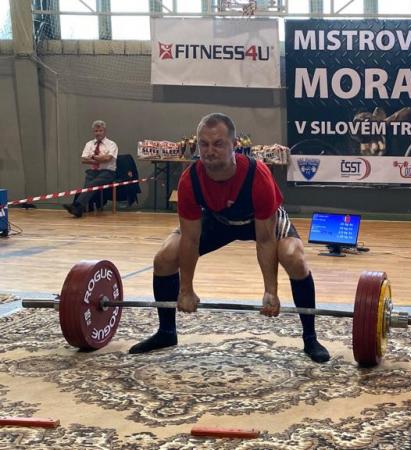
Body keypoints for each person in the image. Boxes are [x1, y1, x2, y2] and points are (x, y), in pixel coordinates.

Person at [128, 112, 330, 363]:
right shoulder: (190, 179)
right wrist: (186, 290)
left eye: (218, 144)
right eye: (204, 144)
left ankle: (310, 338)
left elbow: (265, 239)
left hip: (259, 221)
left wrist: (270, 291)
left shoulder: (257, 175)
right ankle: (166, 332)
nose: (210, 151)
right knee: (165, 257)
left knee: (293, 258)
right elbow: (190, 239)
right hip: (219, 219)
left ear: (234, 145)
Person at [63, 120, 118, 218]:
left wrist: (92, 157)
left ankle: (77, 206)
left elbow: (107, 159)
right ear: (93, 132)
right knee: (87, 185)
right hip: (93, 171)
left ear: (105, 131)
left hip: (108, 172)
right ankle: (79, 209)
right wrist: (99, 158)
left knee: (92, 184)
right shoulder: (89, 144)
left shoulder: (112, 144)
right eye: (96, 131)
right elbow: (83, 160)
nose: (98, 133)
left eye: (100, 131)